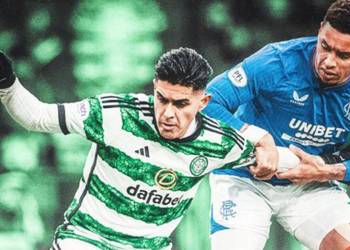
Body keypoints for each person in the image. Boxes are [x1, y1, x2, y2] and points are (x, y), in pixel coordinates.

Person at [0, 47, 259, 250]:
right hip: (85, 240)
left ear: (203, 102)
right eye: (162, 99)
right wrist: (7, 82)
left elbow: (275, 162)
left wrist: (274, 152)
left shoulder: (220, 142)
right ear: (154, 87)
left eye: (180, 104)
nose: (168, 113)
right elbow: (36, 117)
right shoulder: (114, 114)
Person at [203, 0, 350, 250]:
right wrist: (258, 139)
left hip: (311, 183)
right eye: (325, 46)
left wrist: (328, 171)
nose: (329, 61)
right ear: (320, 30)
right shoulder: (276, 62)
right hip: (244, 177)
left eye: (344, 55)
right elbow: (206, 102)